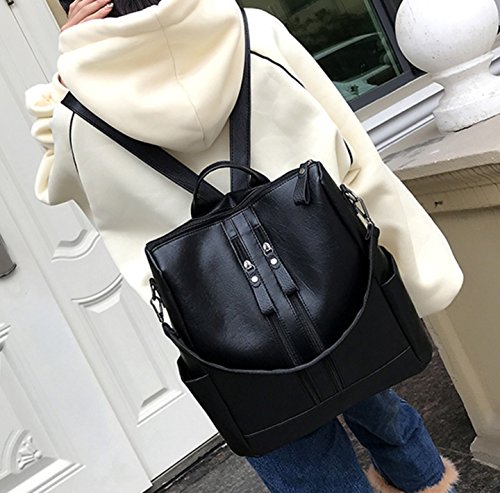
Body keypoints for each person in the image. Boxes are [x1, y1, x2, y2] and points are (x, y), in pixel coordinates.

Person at [25, 0, 463, 491]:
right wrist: (404, 262)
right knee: (371, 391)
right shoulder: (255, 32)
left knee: (301, 458)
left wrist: (66, 76)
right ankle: (426, 481)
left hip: (219, 320)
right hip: (329, 269)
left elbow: (60, 184)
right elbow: (352, 152)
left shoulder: (76, 114)